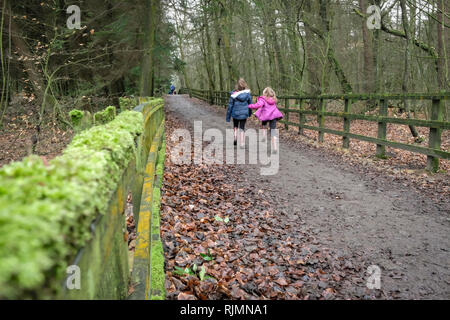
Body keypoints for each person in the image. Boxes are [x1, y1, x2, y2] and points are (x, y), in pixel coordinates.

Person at [249, 87, 283, 153]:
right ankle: (275, 147)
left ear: (264, 93)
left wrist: (249, 106)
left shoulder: (263, 99)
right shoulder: (273, 99)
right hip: (273, 116)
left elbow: (257, 105)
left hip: (265, 116)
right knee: (273, 131)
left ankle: (264, 136)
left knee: (263, 125)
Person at [226, 78, 253, 148]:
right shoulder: (247, 94)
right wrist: (250, 113)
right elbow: (250, 105)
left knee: (235, 126)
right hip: (244, 114)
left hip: (235, 113)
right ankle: (242, 143)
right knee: (242, 127)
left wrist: (228, 117)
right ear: (244, 85)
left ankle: (235, 137)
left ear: (236, 86)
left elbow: (230, 106)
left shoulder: (233, 95)